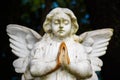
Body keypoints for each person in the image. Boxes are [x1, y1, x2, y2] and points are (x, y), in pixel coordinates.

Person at [29, 7, 94, 80]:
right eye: (56, 23)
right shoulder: (41, 46)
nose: (61, 26)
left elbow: (88, 71)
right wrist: (56, 63)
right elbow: (34, 69)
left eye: (66, 23)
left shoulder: (78, 47)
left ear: (72, 26)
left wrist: (68, 65)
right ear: (50, 25)